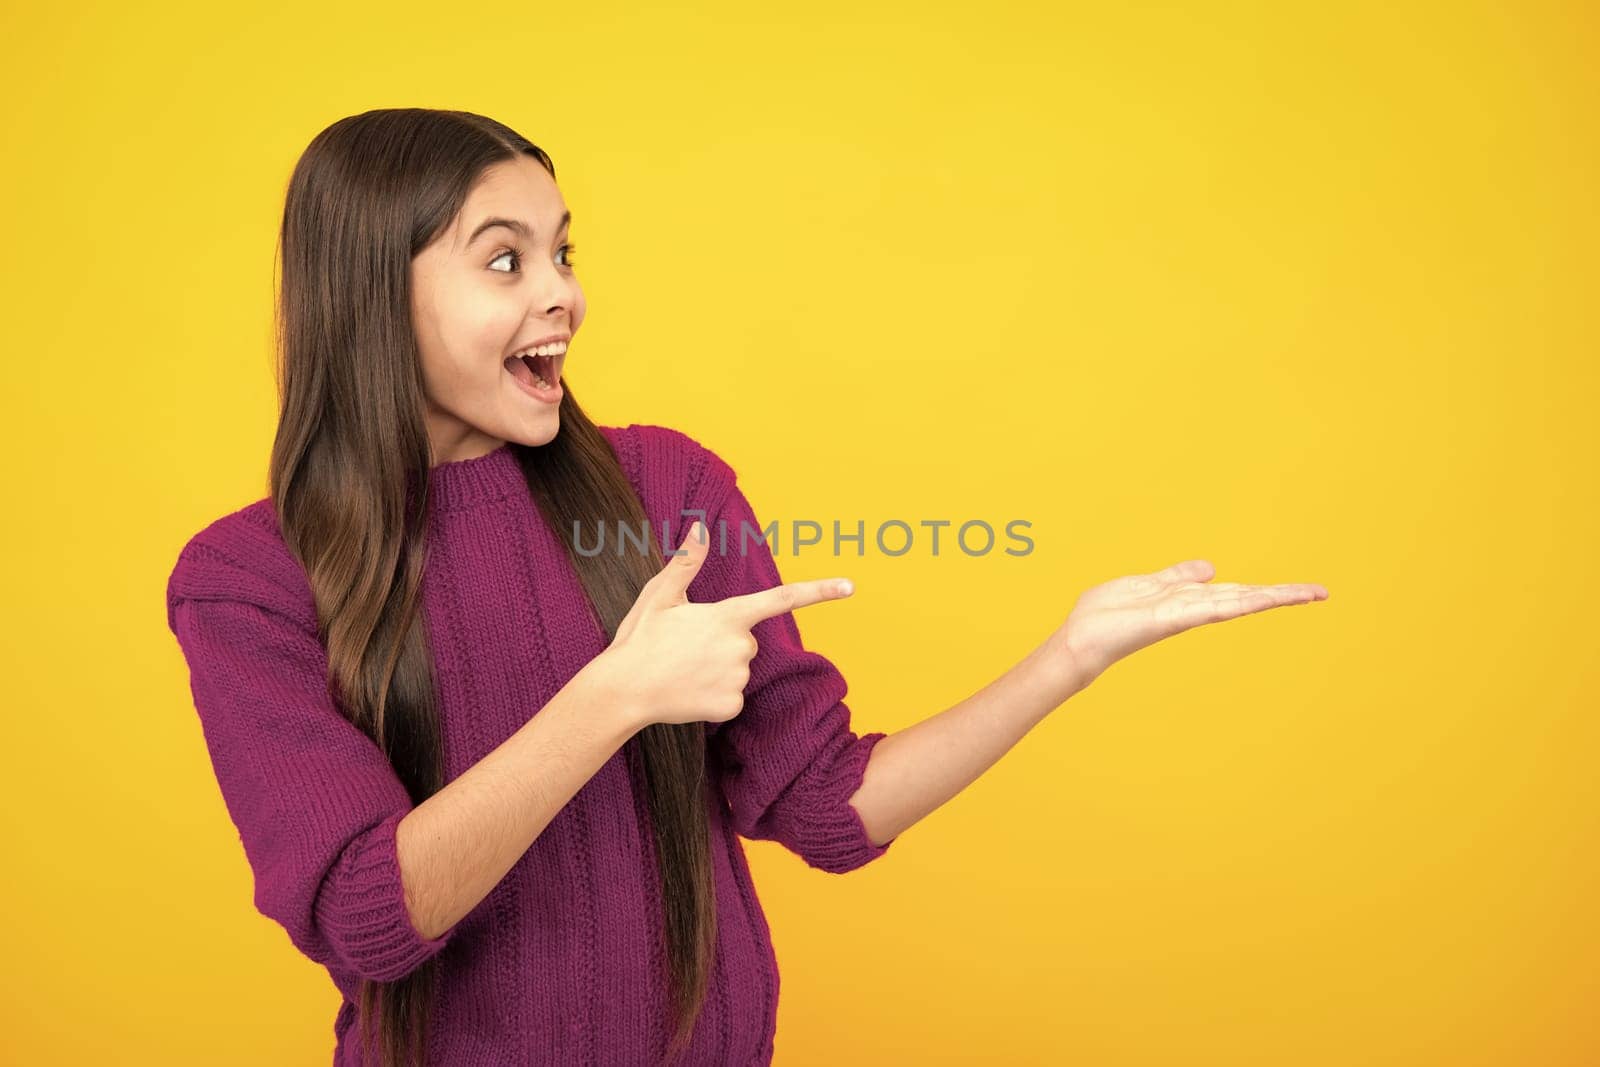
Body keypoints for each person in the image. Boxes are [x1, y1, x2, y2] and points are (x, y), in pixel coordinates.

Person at [164, 107, 1330, 1067]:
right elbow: (368, 915)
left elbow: (829, 808)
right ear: (372, 291)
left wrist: (1066, 657)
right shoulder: (248, 577)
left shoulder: (666, 485)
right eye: (505, 258)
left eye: (565, 252)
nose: (562, 292)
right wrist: (614, 695)